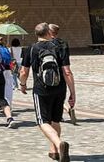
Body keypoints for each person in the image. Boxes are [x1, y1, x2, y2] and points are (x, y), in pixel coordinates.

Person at [20, 22, 74, 162]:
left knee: (42, 121)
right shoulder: (59, 46)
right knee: (55, 119)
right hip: (60, 88)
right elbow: (67, 71)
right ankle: (55, 152)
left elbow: (24, 71)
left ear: (36, 33)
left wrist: (23, 84)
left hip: (41, 89)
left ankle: (58, 144)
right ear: (49, 33)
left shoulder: (31, 49)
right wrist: (72, 93)